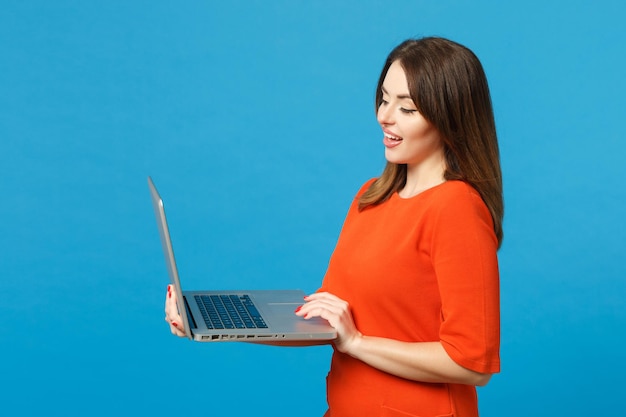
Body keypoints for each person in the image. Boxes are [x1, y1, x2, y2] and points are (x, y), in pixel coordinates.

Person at [165, 36, 502, 417]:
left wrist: (357, 343)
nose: (384, 116)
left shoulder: (457, 207)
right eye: (384, 98)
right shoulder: (370, 197)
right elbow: (329, 318)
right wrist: (210, 323)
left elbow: (471, 362)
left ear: (450, 117)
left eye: (406, 108)